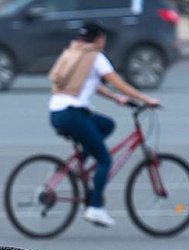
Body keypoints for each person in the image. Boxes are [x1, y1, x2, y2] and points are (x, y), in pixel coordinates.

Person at [48, 21, 159, 228]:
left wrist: (115, 98)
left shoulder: (74, 52)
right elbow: (118, 83)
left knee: (106, 125)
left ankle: (80, 163)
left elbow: (90, 84)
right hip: (73, 115)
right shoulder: (96, 57)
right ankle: (95, 208)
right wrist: (146, 99)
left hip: (57, 113)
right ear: (99, 38)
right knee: (105, 159)